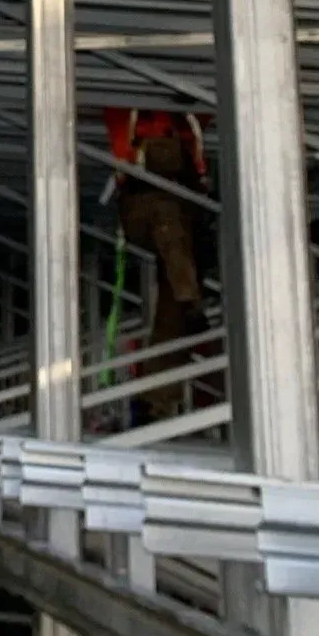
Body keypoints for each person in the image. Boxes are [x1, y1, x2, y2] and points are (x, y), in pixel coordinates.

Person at [104, 107, 210, 420]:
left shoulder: (188, 120)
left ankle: (158, 402)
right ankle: (190, 300)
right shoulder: (129, 113)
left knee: (172, 315)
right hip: (145, 208)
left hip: (183, 214)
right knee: (168, 220)